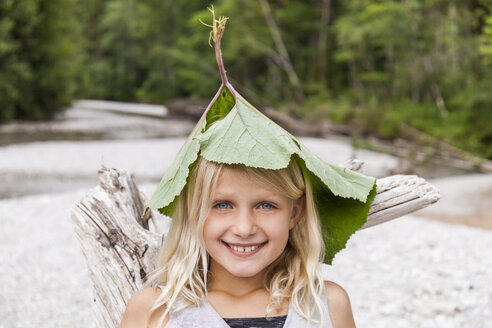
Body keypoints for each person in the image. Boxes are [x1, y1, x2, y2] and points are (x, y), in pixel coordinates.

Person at [119, 155, 357, 328]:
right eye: (222, 205)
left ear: (295, 213)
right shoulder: (155, 311)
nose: (244, 228)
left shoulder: (327, 305)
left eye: (266, 205)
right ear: (194, 213)